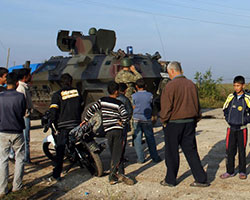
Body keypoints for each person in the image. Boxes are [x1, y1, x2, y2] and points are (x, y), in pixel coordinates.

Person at [160, 61, 209, 187]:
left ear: (171, 71)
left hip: (174, 124)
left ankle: (170, 180)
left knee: (171, 153)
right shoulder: (191, 84)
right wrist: (196, 119)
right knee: (191, 151)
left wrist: (164, 121)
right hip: (190, 123)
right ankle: (201, 179)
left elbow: (166, 108)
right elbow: (197, 104)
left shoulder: (170, 86)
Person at [82, 81, 134, 185]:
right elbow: (125, 116)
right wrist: (122, 123)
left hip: (108, 132)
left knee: (113, 153)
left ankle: (117, 174)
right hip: (118, 131)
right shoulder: (119, 103)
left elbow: (91, 109)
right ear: (116, 92)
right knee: (118, 154)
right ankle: (113, 176)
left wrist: (86, 120)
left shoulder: (102, 101)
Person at [48, 73, 83, 181]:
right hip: (76, 123)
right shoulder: (77, 92)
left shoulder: (57, 94)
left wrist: (52, 121)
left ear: (60, 83)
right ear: (71, 81)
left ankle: (56, 174)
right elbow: (81, 106)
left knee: (60, 150)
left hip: (63, 125)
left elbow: (53, 111)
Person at [0, 72, 26, 197]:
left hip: (3, 131)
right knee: (20, 158)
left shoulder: (0, 96)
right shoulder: (20, 96)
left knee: (3, 160)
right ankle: (17, 186)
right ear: (17, 83)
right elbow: (22, 112)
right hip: (17, 130)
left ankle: (2, 188)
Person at [220, 76, 250, 180]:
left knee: (242, 151)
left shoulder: (247, 98)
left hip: (242, 129)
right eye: (234, 85)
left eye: (238, 85)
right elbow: (225, 109)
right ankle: (230, 171)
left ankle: (242, 171)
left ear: (243, 85)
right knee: (230, 151)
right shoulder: (230, 97)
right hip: (231, 129)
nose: (236, 88)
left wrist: (245, 120)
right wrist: (228, 119)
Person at [132, 78, 161, 163]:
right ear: (146, 86)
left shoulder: (134, 96)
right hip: (147, 119)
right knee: (150, 138)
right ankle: (155, 157)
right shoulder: (150, 95)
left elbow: (133, 107)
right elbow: (152, 105)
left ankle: (140, 159)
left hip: (137, 119)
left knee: (137, 139)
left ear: (136, 86)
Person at [16, 68, 33, 164]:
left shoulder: (24, 87)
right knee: (25, 139)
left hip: (25, 115)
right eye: (29, 75)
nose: (31, 77)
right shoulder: (21, 88)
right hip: (24, 115)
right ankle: (26, 158)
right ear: (24, 77)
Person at [117, 83, 133, 161]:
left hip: (114, 123)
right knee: (122, 141)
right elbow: (129, 111)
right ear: (125, 90)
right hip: (123, 124)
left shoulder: (113, 98)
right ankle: (121, 157)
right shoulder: (125, 99)